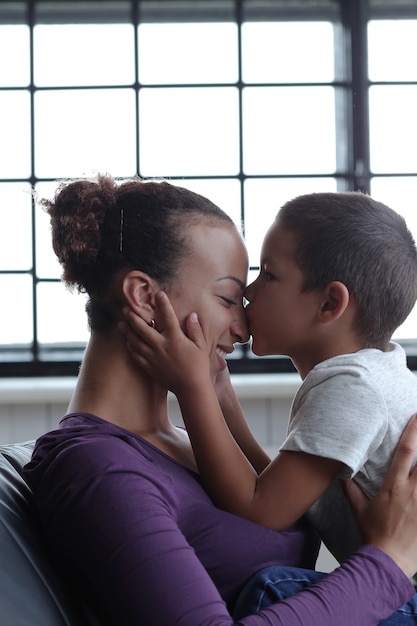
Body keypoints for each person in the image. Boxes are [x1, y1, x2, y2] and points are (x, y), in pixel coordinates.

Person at [22, 175, 417, 626]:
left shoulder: (185, 442)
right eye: (229, 296)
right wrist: (390, 562)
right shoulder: (99, 465)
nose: (245, 327)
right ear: (145, 297)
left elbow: (267, 494)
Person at [120, 193, 417, 566]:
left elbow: (259, 509)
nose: (247, 292)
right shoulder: (372, 373)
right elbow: (277, 490)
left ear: (329, 305)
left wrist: (191, 387)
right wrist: (221, 399)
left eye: (269, 274)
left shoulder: (353, 389)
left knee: (272, 587)